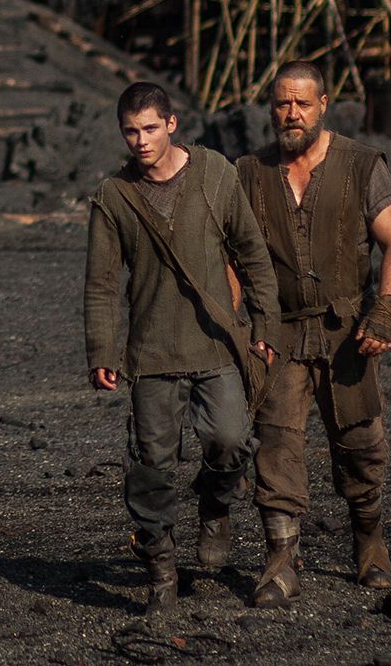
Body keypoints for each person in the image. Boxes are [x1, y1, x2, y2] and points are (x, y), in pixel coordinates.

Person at [84, 80, 280, 611]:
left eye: (150, 128)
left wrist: (266, 324)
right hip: (150, 356)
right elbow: (102, 283)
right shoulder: (112, 197)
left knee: (231, 441)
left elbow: (252, 250)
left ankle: (216, 503)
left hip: (215, 345)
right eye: (131, 131)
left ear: (171, 124)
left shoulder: (216, 173)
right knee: (151, 468)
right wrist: (103, 351)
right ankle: (162, 575)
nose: (141, 141)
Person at [235, 60, 391, 605]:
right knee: (277, 444)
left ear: (323, 104)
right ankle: (281, 561)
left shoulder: (362, 165)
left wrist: (384, 310)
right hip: (279, 333)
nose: (291, 114)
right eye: (281, 105)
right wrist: (235, 327)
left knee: (361, 443)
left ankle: (371, 545)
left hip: (347, 335)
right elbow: (233, 258)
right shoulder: (250, 172)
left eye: (301, 104)